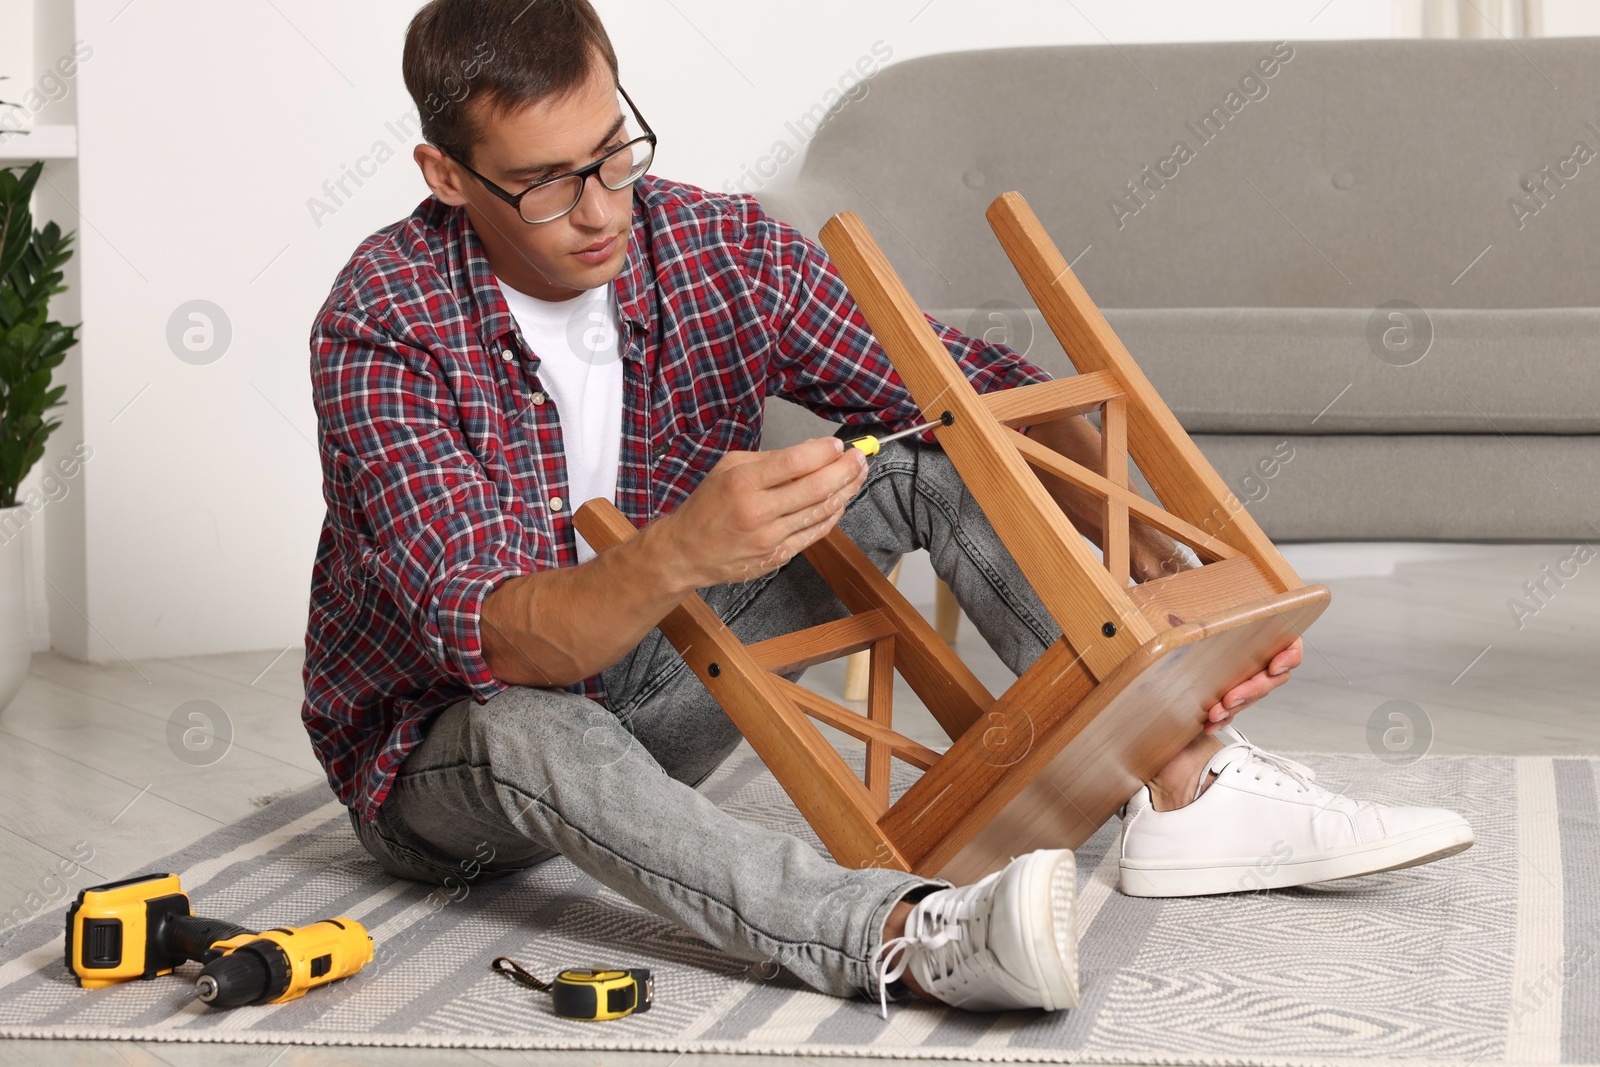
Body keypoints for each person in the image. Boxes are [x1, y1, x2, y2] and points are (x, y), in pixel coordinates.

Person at [303, 0, 1474, 1018]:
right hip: (445, 756)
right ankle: (904, 938)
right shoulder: (382, 324)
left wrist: (1165, 581)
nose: (602, 207)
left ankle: (1183, 784)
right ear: (446, 176)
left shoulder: (715, 246)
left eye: (614, 152)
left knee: (917, 457)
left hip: (662, 678)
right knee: (526, 722)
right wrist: (677, 554)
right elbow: (503, 641)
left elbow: (968, 394)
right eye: (547, 182)